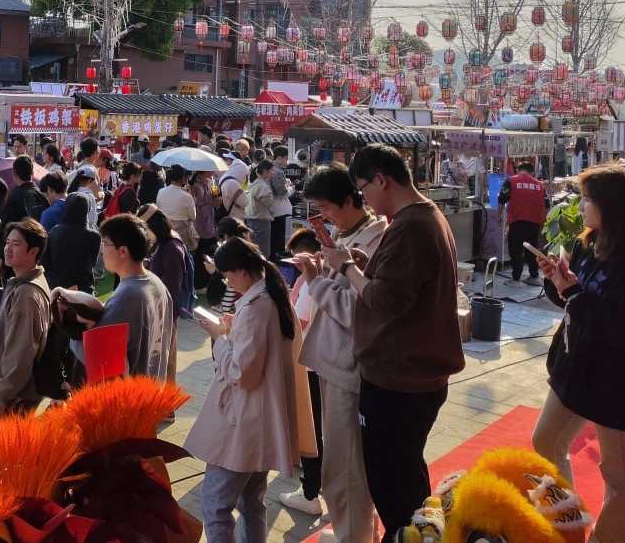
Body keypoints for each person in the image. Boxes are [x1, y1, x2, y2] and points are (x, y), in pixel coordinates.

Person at [322, 144, 464, 542]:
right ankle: (421, 534)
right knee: (407, 474)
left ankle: (408, 536)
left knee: (392, 485)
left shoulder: (410, 225)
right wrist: (364, 267)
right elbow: (401, 289)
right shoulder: (424, 217)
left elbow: (385, 301)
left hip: (399, 380)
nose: (364, 198)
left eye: (363, 188)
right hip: (414, 375)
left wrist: (346, 267)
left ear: (381, 180)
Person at [531, 165, 625, 543]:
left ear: (613, 206)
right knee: (545, 443)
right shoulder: (587, 245)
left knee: (620, 480)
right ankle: (566, 527)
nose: (580, 206)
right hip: (575, 370)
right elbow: (573, 304)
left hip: (618, 383)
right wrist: (556, 280)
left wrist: (574, 294)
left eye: (587, 199)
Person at [184, 237, 314, 543]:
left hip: (242, 421)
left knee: (215, 505)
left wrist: (219, 337)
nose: (229, 283)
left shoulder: (257, 307)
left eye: (229, 277)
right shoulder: (274, 296)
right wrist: (232, 330)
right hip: (262, 419)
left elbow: (243, 373)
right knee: (252, 502)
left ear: (241, 270)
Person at [288, 164, 388, 543]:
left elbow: (358, 311)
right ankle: (359, 533)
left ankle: (353, 536)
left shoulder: (375, 240)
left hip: (349, 366)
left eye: (325, 207)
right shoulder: (350, 235)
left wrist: (316, 281)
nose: (323, 216)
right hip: (335, 361)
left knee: (344, 471)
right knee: (346, 466)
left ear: (351, 199)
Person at [56, 213, 174, 378]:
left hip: (132, 390)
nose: (101, 250)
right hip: (154, 385)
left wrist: (71, 327)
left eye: (105, 244)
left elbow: (98, 355)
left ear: (123, 251)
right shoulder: (156, 283)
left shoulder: (127, 296)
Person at [0, 218, 51, 415]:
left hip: (15, 397)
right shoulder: (23, 283)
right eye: (7, 242)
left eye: (16, 244)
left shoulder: (26, 294)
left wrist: (3, 396)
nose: (8, 249)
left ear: (33, 251)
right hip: (14, 393)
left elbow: (21, 351)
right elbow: (14, 330)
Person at [141, 204, 191, 384]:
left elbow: (172, 287)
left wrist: (162, 315)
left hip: (165, 313)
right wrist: (149, 263)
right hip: (160, 311)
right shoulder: (166, 243)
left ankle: (167, 399)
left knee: (166, 361)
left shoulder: (172, 248)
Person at [498, 160, 549, 285]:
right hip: (534, 222)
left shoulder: (511, 181)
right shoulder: (540, 185)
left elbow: (502, 198)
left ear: (518, 170)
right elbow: (547, 204)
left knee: (515, 250)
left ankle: (516, 279)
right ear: (532, 172)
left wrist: (498, 215)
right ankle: (534, 276)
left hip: (517, 220)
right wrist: (544, 220)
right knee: (532, 249)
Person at [41, 193, 102, 293]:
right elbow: (92, 263)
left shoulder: (55, 231)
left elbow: (45, 261)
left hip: (57, 288)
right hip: (83, 288)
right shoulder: (94, 236)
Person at [155, 164, 199, 251]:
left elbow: (159, 210)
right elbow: (193, 217)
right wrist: (193, 201)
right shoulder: (187, 196)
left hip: (166, 230)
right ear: (182, 178)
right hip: (182, 234)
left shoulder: (161, 191)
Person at [244, 159, 277, 260]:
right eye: (271, 170)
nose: (273, 172)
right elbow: (269, 203)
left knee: (253, 250)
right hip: (260, 221)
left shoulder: (252, 181)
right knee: (262, 253)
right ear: (265, 171)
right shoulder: (261, 185)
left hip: (252, 219)